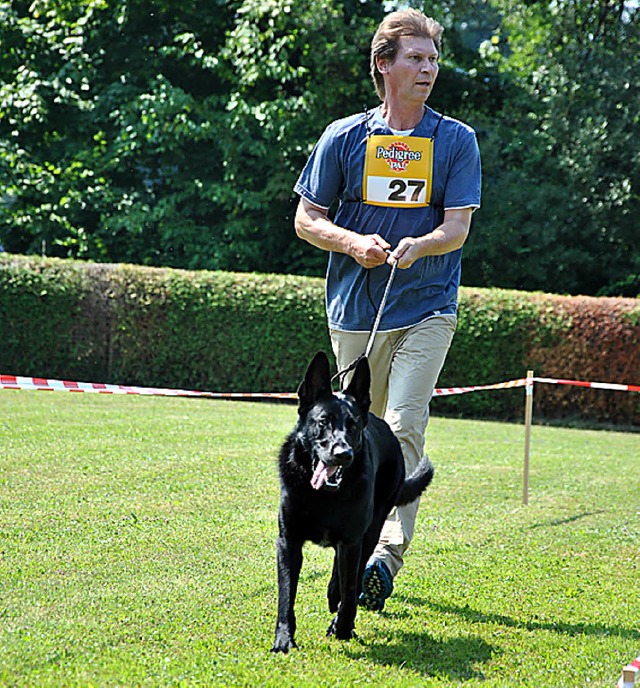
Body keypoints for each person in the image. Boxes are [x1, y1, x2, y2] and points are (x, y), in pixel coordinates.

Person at [292, 8, 481, 610]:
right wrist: (352, 242)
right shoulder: (344, 137)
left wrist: (419, 245)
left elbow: (456, 229)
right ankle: (350, 541)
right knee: (354, 434)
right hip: (355, 310)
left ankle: (383, 557)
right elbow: (305, 219)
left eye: (433, 59)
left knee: (401, 429)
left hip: (428, 305)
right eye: (417, 58)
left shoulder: (456, 141)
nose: (429, 69)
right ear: (384, 65)